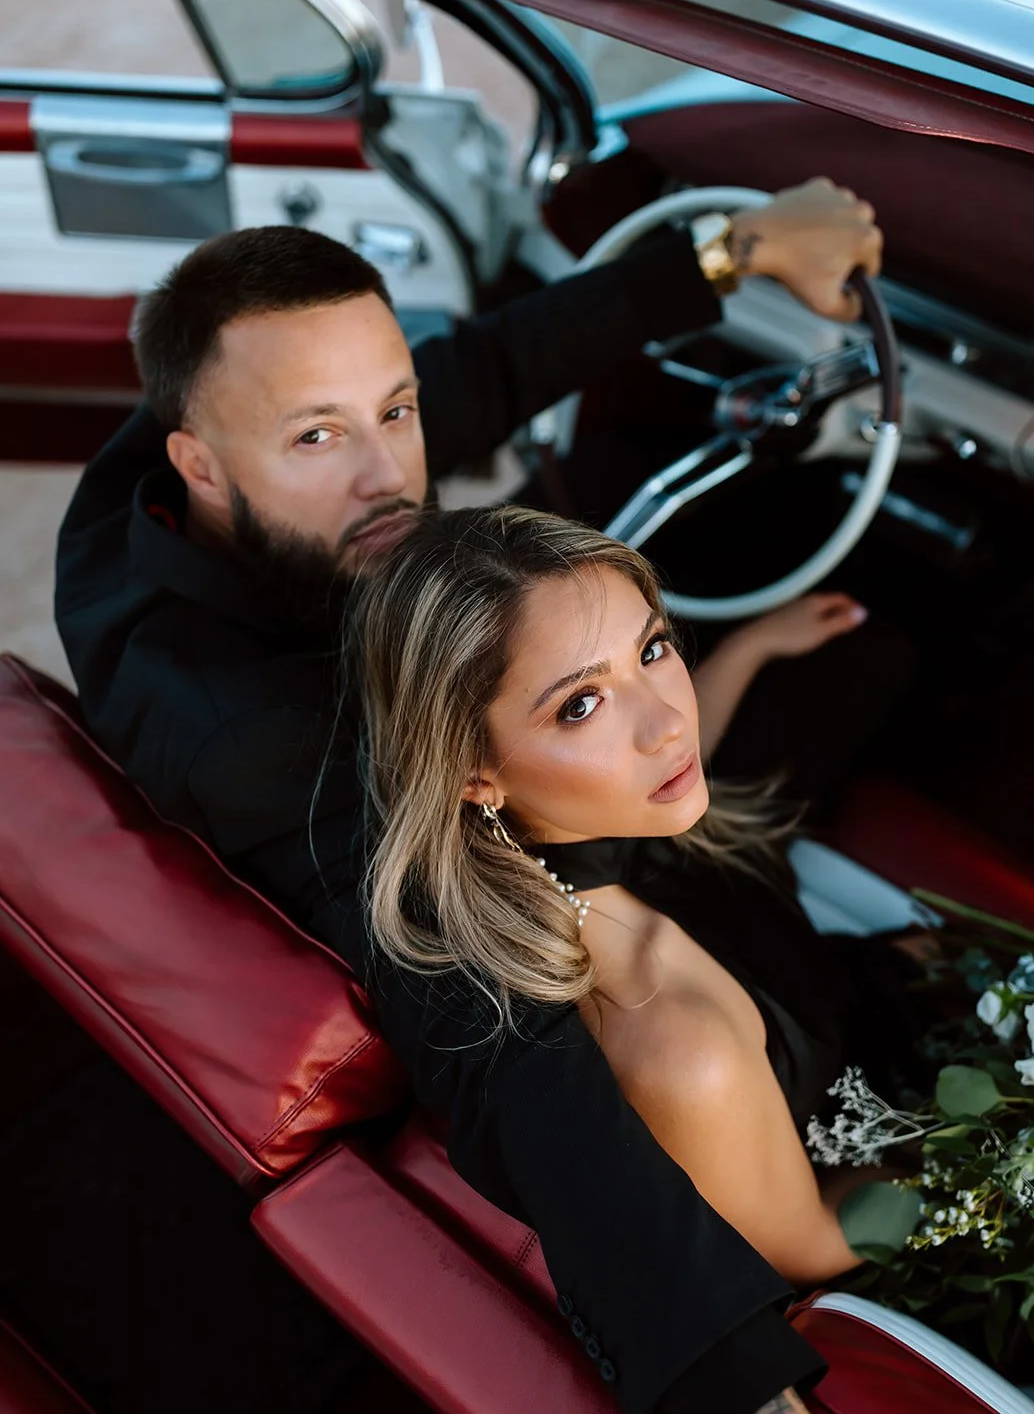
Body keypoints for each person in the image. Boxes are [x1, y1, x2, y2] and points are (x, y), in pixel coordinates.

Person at [55, 181, 883, 1414]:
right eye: (317, 438)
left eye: (395, 411)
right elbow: (487, 1031)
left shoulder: (221, 449)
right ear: (201, 465)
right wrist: (733, 1378)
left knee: (854, 666)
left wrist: (733, 251)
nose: (391, 478)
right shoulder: (260, 742)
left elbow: (474, 372)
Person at [350, 503, 889, 1410]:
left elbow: (670, 740)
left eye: (652, 648)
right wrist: (1022, 1152)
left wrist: (750, 648)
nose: (666, 723)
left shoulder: (591, 831)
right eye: (580, 705)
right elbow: (812, 1247)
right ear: (475, 774)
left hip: (872, 1010)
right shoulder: (677, 1044)